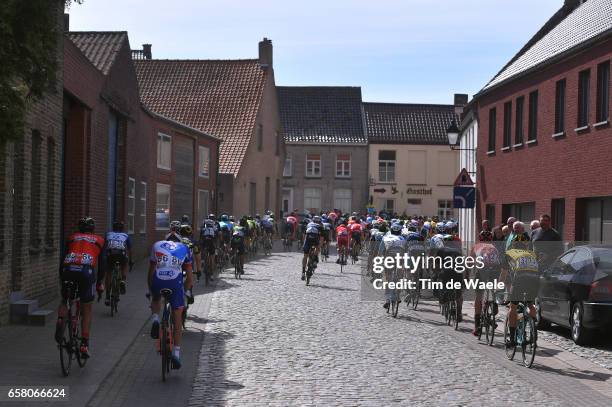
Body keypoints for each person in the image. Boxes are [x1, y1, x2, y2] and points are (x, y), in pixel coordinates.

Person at [55, 217, 105, 359]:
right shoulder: (99, 240)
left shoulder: (72, 238)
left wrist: (61, 278)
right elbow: (102, 266)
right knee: (87, 308)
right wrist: (99, 283)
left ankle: (60, 319)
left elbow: (62, 258)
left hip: (68, 269)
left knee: (65, 300)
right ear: (92, 229)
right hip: (85, 272)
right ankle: (84, 344)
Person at [148, 238, 194, 369]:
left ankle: (156, 319)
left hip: (158, 280)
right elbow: (190, 279)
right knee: (177, 316)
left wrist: (151, 290)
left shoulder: (156, 244)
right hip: (175, 283)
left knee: (156, 298)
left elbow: (150, 272)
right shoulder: (184, 248)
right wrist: (184, 293)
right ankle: (176, 354)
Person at [102, 220, 132, 306]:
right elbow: (130, 249)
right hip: (121, 254)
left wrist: (104, 257)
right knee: (125, 264)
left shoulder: (108, 234)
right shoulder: (125, 235)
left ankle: (107, 296)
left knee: (109, 273)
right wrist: (130, 261)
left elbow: (104, 246)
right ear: (122, 228)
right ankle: (123, 280)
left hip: (110, 254)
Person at [380, 223, 406, 309]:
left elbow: (381, 250)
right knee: (399, 277)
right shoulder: (403, 238)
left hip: (389, 258)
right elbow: (406, 250)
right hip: (400, 258)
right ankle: (397, 295)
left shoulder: (385, 237)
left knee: (387, 278)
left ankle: (387, 299)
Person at [302, 216, 322, 280]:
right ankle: (315, 259)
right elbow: (322, 238)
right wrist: (319, 247)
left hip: (307, 239)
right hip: (315, 239)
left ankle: (303, 272)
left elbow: (304, 235)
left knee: (305, 256)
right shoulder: (320, 226)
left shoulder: (309, 224)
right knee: (317, 248)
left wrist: (304, 244)